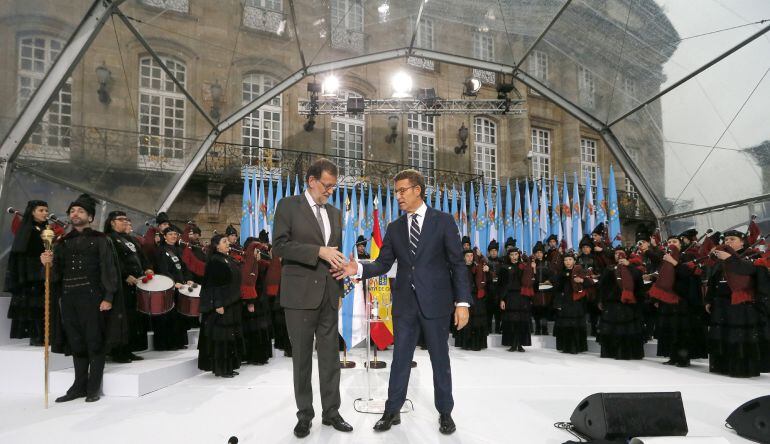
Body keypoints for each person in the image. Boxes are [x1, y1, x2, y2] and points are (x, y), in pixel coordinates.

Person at [335, 169, 471, 435]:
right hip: (405, 305)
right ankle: (391, 410)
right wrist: (359, 269)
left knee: (440, 360)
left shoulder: (443, 221)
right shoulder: (395, 227)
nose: (397, 196)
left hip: (436, 304)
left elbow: (457, 263)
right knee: (400, 360)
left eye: (402, 190)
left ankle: (445, 412)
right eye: (396, 191)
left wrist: (462, 302)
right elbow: (384, 263)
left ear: (417, 190)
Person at [272, 158, 352, 438]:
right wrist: (318, 251)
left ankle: (332, 412)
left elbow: (335, 254)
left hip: (329, 294)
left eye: (333, 186)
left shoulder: (336, 213)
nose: (330, 191)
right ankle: (305, 414)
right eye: (327, 185)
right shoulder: (287, 206)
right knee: (302, 359)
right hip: (299, 296)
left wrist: (340, 285)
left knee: (331, 358)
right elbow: (280, 246)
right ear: (311, 181)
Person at [41, 194, 120, 403]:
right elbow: (55, 276)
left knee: (94, 342)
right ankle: (78, 386)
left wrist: (108, 296)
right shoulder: (61, 242)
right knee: (76, 343)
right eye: (72, 211)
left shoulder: (101, 240)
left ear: (90, 217)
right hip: (68, 299)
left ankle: (93, 387)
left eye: (81, 211)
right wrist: (47, 263)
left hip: (93, 298)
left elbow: (108, 269)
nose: (75, 213)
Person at [706, 230, 770, 377]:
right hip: (721, 303)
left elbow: (748, 270)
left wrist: (731, 259)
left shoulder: (752, 255)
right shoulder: (721, 258)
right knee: (723, 335)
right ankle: (723, 366)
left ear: (742, 241)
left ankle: (741, 368)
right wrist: (709, 299)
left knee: (738, 336)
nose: (728, 242)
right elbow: (713, 281)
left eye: (732, 239)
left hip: (741, 304)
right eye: (726, 239)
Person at [5, 200, 56, 345]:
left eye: (46, 210)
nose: (45, 213)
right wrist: (37, 265)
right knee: (34, 306)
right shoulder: (27, 228)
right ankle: (37, 337)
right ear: (32, 212)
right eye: (41, 210)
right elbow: (21, 254)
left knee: (45, 305)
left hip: (45, 271)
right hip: (31, 276)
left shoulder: (46, 228)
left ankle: (46, 335)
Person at [104, 210, 152, 362]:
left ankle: (129, 349)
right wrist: (125, 275)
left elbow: (141, 257)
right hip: (122, 284)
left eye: (126, 219)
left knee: (133, 318)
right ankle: (118, 351)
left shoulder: (130, 239)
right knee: (121, 319)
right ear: (112, 222)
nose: (125, 221)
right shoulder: (109, 239)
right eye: (121, 219)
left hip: (137, 283)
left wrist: (147, 268)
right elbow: (113, 261)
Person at [198, 234, 242, 378]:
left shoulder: (228, 259)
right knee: (222, 337)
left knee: (229, 336)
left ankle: (229, 366)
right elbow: (212, 285)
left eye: (227, 241)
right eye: (224, 242)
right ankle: (222, 368)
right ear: (217, 245)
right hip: (221, 303)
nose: (228, 243)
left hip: (231, 301)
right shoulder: (215, 261)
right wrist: (217, 304)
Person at [597, 248, 645, 360]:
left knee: (626, 330)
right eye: (616, 254)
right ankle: (610, 352)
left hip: (628, 305)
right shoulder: (609, 269)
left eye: (621, 253)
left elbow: (639, 287)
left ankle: (627, 353)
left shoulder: (634, 270)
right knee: (611, 330)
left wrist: (629, 266)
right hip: (611, 304)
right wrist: (600, 300)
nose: (618, 256)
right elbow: (602, 286)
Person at [153, 225, 193, 351]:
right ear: (164, 237)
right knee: (169, 316)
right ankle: (168, 343)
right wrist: (173, 282)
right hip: (168, 287)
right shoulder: (161, 251)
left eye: (175, 234)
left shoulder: (179, 250)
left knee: (179, 315)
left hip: (181, 286)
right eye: (170, 234)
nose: (173, 236)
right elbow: (162, 269)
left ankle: (179, 341)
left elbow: (185, 267)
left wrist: (188, 279)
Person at [240, 237, 272, 365]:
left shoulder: (258, 263)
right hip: (252, 301)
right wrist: (250, 302)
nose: (259, 254)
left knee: (260, 329)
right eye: (257, 251)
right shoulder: (246, 264)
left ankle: (261, 356)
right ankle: (254, 356)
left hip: (260, 299)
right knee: (253, 329)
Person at [552, 252, 591, 354]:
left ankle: (577, 347)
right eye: (565, 260)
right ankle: (566, 347)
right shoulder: (561, 273)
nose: (567, 262)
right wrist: (558, 303)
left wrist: (581, 280)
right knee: (566, 325)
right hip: (565, 302)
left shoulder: (581, 271)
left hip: (577, 302)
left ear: (574, 261)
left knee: (576, 325)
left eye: (570, 259)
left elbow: (589, 283)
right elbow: (557, 290)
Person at [498, 247, 533, 352]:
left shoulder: (524, 266)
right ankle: (512, 344)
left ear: (519, 255)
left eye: (516, 254)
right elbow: (501, 285)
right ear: (509, 256)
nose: (514, 257)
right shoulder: (504, 267)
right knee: (511, 321)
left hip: (522, 297)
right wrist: (502, 299)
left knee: (521, 321)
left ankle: (520, 344)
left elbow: (528, 282)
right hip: (510, 297)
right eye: (512, 255)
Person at [455, 249, 487, 351]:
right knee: (466, 321)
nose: (470, 258)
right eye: (467, 256)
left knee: (476, 321)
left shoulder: (478, 267)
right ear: (463, 257)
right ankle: (466, 343)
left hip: (477, 298)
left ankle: (476, 344)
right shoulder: (460, 268)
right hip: (465, 297)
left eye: (471, 256)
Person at [485, 240, 503, 334]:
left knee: (498, 312)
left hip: (498, 290)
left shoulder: (502, 262)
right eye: (491, 250)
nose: (493, 252)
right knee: (488, 312)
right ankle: (488, 328)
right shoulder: (485, 262)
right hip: (488, 290)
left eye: (495, 250)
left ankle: (497, 328)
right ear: (489, 252)